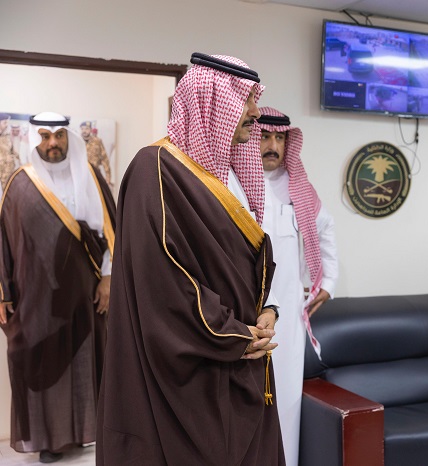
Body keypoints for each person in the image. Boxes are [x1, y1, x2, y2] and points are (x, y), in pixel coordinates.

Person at [96, 53, 285, 465]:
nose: (256, 112)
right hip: (190, 366)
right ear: (212, 102)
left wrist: (267, 308)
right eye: (246, 99)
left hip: (243, 358)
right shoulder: (154, 170)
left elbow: (246, 263)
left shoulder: (233, 173)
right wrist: (232, 334)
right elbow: (160, 282)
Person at [0, 112, 115, 463]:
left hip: (86, 294)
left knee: (85, 361)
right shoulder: (20, 183)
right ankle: (49, 440)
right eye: (45, 136)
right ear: (35, 138)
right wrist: (4, 292)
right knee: (43, 363)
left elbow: (112, 234)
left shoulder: (91, 176)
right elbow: (4, 243)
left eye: (59, 136)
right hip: (37, 299)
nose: (53, 143)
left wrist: (108, 279)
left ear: (68, 138)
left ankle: (83, 433)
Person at [258, 107, 339, 466]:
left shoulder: (299, 189)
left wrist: (328, 281)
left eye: (280, 138)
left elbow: (325, 230)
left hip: (288, 317)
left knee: (287, 398)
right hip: (245, 313)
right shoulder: (233, 185)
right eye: (265, 136)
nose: (273, 146)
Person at [80, 121, 112, 187]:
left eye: (86, 129)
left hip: (95, 174)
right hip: (80, 174)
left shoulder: (97, 141)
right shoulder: (77, 141)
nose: (84, 131)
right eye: (82, 129)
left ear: (90, 130)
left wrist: (108, 176)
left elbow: (104, 159)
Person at [0, 113, 21, 191]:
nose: (6, 125)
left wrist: (18, 159)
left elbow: (12, 150)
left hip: (8, 172)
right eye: (4, 123)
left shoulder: (6, 136)